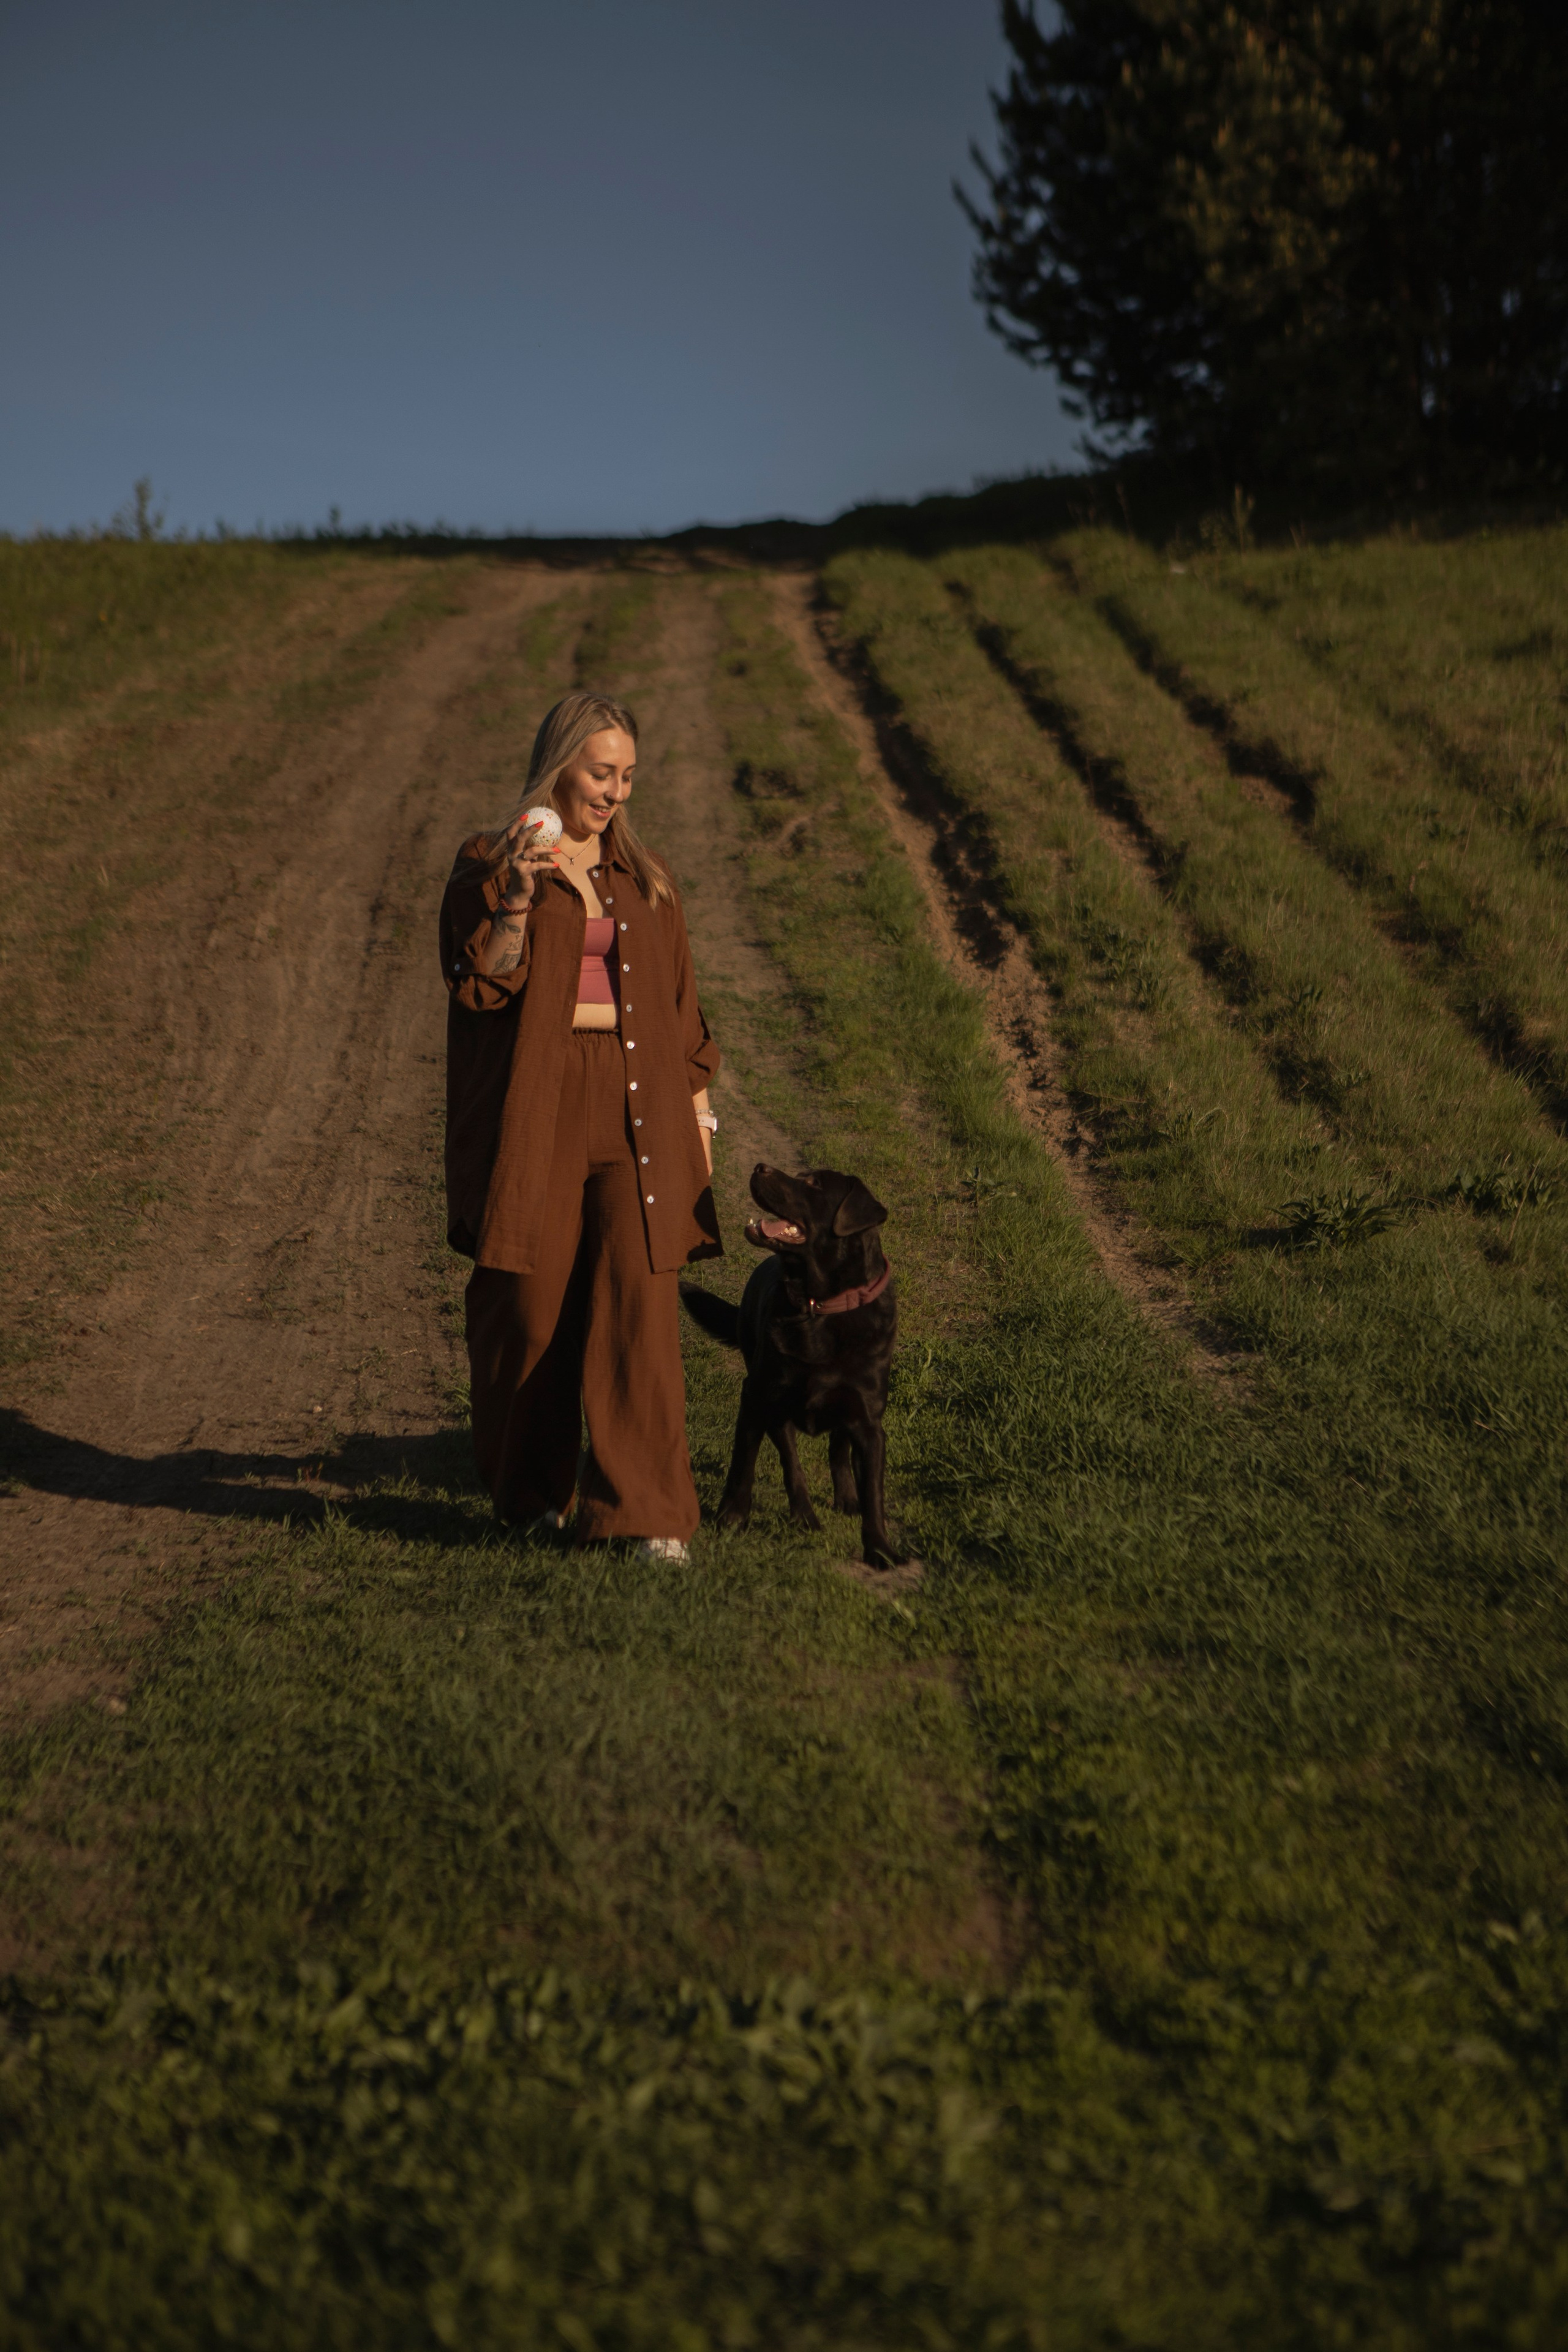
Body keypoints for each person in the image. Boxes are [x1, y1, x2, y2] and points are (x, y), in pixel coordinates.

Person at [439, 690, 722, 1561]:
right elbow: (481, 985)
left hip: (642, 1103)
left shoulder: (644, 874)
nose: (616, 792)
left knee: (641, 1305)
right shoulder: (491, 861)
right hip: (542, 1098)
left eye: (628, 776)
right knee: (526, 1303)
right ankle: (533, 1498)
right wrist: (519, 899)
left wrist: (700, 1113)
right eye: (603, 773)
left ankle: (649, 1516)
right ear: (560, 765)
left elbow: (680, 1007)